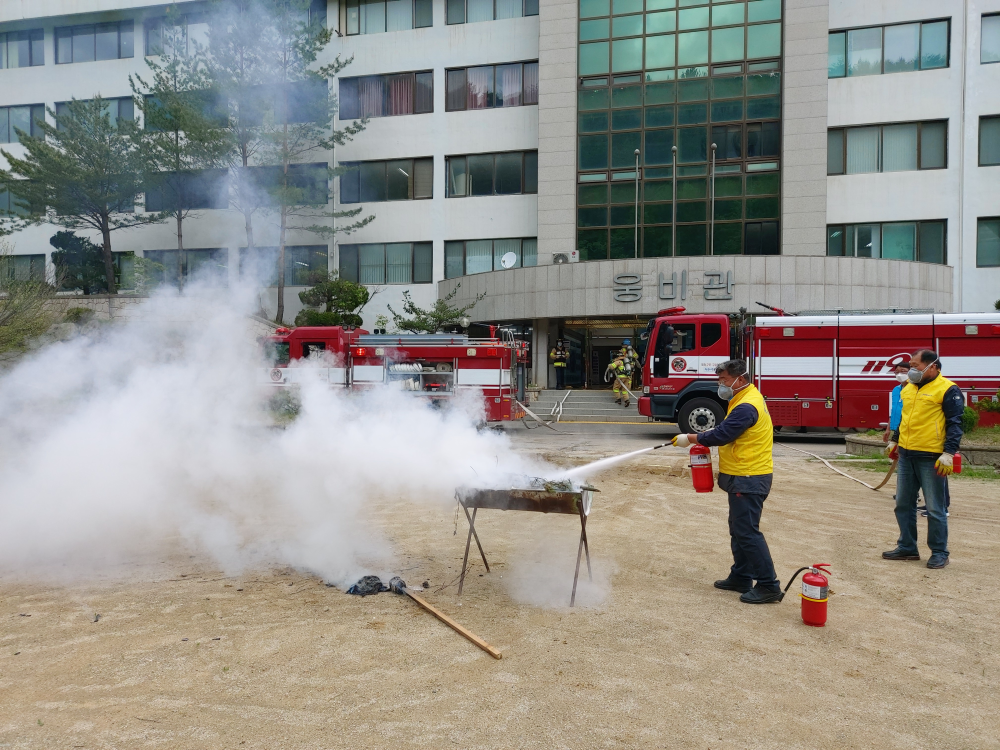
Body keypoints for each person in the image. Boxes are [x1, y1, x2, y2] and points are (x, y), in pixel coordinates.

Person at [671, 360, 780, 604]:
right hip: (743, 475)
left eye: (724, 380)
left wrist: (690, 437)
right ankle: (741, 576)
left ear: (740, 379)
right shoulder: (742, 399)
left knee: (747, 532)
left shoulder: (747, 405)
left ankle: (768, 584)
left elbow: (723, 434)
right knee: (738, 529)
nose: (721, 385)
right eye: (719, 380)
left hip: (749, 476)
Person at [884, 350, 962, 569]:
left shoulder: (948, 389)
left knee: (935, 508)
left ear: (933, 367)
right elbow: (905, 417)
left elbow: (955, 423)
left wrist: (948, 453)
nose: (912, 370)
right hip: (907, 455)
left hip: (931, 457)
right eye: (911, 365)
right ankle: (907, 547)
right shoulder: (908, 388)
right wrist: (895, 439)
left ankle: (939, 552)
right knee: (903, 504)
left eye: (916, 366)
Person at [884, 362, 951, 518]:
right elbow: (898, 413)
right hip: (903, 434)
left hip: (927, 441)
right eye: (896, 372)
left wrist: (949, 448)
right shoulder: (899, 390)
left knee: (935, 473)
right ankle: (913, 497)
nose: (899, 374)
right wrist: (893, 434)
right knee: (909, 471)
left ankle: (941, 505)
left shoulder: (929, 390)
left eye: (904, 371)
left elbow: (951, 420)